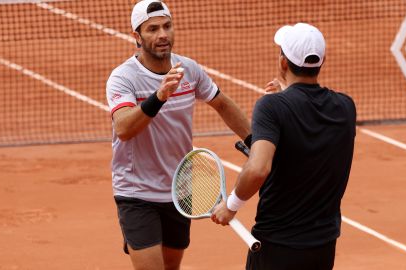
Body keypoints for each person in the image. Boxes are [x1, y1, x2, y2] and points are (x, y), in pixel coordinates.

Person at [105, 1, 251, 269]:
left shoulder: (189, 69)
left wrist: (255, 143)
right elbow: (123, 128)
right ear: (137, 37)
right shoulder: (123, 78)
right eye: (152, 29)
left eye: (167, 26)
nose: (162, 34)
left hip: (180, 189)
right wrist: (158, 97)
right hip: (137, 192)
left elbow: (222, 103)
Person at [211, 23, 356, 270]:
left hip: (276, 248)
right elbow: (307, 139)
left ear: (283, 63)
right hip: (322, 249)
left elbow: (258, 169)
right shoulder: (345, 107)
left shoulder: (272, 108)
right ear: (321, 62)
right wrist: (286, 98)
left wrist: (231, 206)